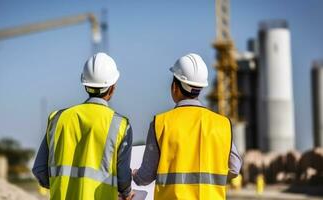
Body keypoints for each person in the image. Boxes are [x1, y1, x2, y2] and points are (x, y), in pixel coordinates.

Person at [132, 53, 242, 200]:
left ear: (175, 87)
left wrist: (134, 175)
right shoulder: (222, 124)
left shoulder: (160, 123)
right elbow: (235, 167)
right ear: (200, 89)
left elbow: (145, 176)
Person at [32, 52, 134, 200]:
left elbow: (40, 170)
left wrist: (62, 185)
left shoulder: (57, 118)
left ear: (85, 85)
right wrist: (126, 193)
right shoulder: (119, 125)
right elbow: (123, 180)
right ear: (112, 87)